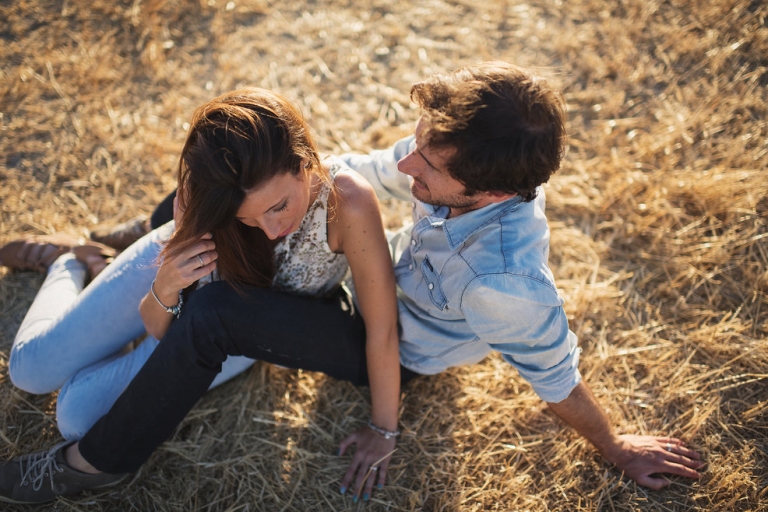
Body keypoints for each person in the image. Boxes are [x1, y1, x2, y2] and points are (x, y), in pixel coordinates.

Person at [0, 61, 703, 505]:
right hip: (355, 287)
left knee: (214, 312)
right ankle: (132, 234)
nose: (408, 169)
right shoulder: (453, 155)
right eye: (419, 146)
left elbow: (553, 374)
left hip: (396, 346)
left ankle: (94, 465)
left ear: (487, 196)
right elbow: (356, 170)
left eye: (428, 170)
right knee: (245, 189)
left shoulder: (503, 282)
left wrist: (612, 446)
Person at [0, 88, 402, 504]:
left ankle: (92, 275)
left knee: (76, 417)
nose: (268, 229)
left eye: (279, 206)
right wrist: (166, 283)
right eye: (246, 218)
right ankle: (67, 262)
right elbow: (159, 331)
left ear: (304, 162)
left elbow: (382, 327)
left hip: (232, 332)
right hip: (168, 277)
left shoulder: (348, 203)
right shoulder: (213, 198)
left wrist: (383, 427)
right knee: (29, 369)